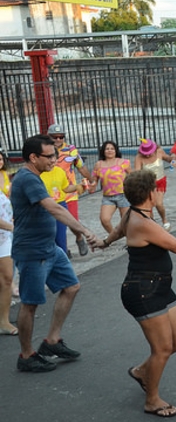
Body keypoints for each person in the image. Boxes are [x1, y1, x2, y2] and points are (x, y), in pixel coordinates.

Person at [92, 170, 176, 417]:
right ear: (151, 193)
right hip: (142, 291)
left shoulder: (132, 214)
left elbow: (118, 230)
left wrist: (104, 243)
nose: (160, 192)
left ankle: (141, 371)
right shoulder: (144, 223)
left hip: (159, 287)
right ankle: (152, 400)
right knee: (162, 348)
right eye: (157, 188)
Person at [12, 135, 97, 372]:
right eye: (50, 156)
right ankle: (27, 356)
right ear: (33, 157)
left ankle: (51, 341)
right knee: (30, 303)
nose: (55, 160)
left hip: (49, 248)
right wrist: (84, 230)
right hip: (31, 251)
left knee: (71, 287)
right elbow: (52, 207)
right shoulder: (27, 179)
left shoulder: (37, 176)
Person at [48, 123, 91, 257]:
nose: (58, 140)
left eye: (61, 137)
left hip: (69, 191)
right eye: (55, 137)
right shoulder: (44, 150)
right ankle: (63, 250)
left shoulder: (71, 150)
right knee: (55, 226)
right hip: (51, 194)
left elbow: (81, 167)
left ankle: (79, 238)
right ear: (49, 137)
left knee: (72, 220)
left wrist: (91, 179)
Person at [89, 141, 132, 233]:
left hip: (123, 195)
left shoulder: (123, 162)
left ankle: (130, 239)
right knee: (104, 219)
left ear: (116, 150)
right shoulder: (98, 164)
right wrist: (92, 185)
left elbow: (132, 175)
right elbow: (94, 180)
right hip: (108, 197)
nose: (110, 151)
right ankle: (114, 235)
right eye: (107, 149)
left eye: (112, 149)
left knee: (126, 222)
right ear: (103, 151)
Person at [135, 139, 175, 231]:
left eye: (150, 152)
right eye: (146, 153)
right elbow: (137, 171)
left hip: (160, 182)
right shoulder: (139, 157)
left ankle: (164, 220)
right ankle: (152, 224)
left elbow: (169, 160)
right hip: (147, 184)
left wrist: (173, 160)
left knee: (158, 203)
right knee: (148, 206)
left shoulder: (159, 151)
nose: (148, 155)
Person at [40, 163, 77, 253]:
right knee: (48, 237)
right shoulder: (38, 173)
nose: (51, 160)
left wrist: (79, 187)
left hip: (60, 205)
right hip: (44, 206)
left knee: (60, 237)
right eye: (49, 157)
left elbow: (66, 188)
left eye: (53, 157)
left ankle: (63, 257)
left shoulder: (60, 171)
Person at [0, 187, 15, 336]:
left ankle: (3, 321)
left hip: (3, 238)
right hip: (7, 231)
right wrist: (13, 227)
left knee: (7, 279)